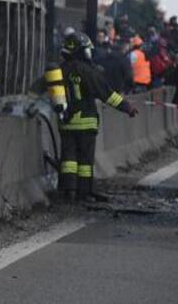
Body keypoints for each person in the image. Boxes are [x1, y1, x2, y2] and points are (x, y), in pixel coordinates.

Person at [55, 32, 138, 202]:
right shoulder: (87, 71)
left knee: (68, 159)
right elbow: (106, 94)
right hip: (86, 122)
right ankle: (84, 192)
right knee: (85, 161)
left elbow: (42, 88)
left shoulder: (59, 70)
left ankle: (68, 190)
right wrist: (126, 107)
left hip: (66, 123)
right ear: (82, 51)